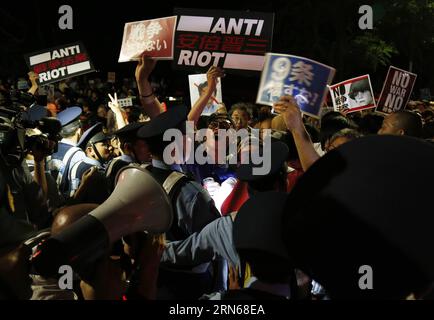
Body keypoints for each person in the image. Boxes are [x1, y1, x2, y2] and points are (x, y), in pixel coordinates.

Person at [136, 105, 221, 299]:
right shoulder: (191, 193)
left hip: (150, 277)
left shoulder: (138, 176)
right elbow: (210, 245)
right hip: (188, 286)